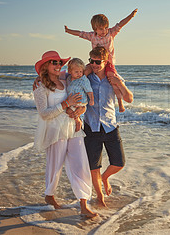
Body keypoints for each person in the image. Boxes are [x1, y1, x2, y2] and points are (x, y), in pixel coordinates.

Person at [33, 50, 97, 218]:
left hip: (74, 128)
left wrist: (81, 109)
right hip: (55, 131)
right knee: (55, 166)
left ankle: (84, 202)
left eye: (59, 62)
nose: (58, 65)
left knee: (81, 164)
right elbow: (44, 114)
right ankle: (49, 195)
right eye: (54, 62)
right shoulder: (40, 87)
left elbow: (80, 82)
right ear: (46, 66)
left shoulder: (65, 79)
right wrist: (65, 104)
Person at [84, 46, 133, 207]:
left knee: (119, 162)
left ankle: (105, 178)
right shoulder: (86, 78)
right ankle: (100, 197)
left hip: (110, 126)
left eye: (98, 62)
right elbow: (67, 78)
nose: (94, 64)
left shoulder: (113, 78)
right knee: (93, 167)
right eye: (91, 61)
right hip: (91, 128)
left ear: (105, 62)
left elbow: (129, 98)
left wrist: (120, 83)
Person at [64, 8, 138, 113]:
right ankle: (77, 98)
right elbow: (80, 33)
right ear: (95, 29)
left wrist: (131, 15)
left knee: (112, 80)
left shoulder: (111, 33)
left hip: (109, 63)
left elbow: (121, 24)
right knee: (82, 72)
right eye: (101, 29)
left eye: (105, 28)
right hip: (95, 59)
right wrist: (68, 31)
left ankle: (120, 103)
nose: (104, 31)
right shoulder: (92, 36)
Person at [66, 58, 94, 132]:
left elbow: (89, 90)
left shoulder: (83, 79)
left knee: (76, 112)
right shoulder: (68, 79)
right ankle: (76, 121)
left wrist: (91, 99)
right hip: (71, 102)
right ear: (70, 71)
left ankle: (78, 121)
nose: (79, 74)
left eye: (81, 71)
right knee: (68, 111)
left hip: (80, 102)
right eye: (76, 72)